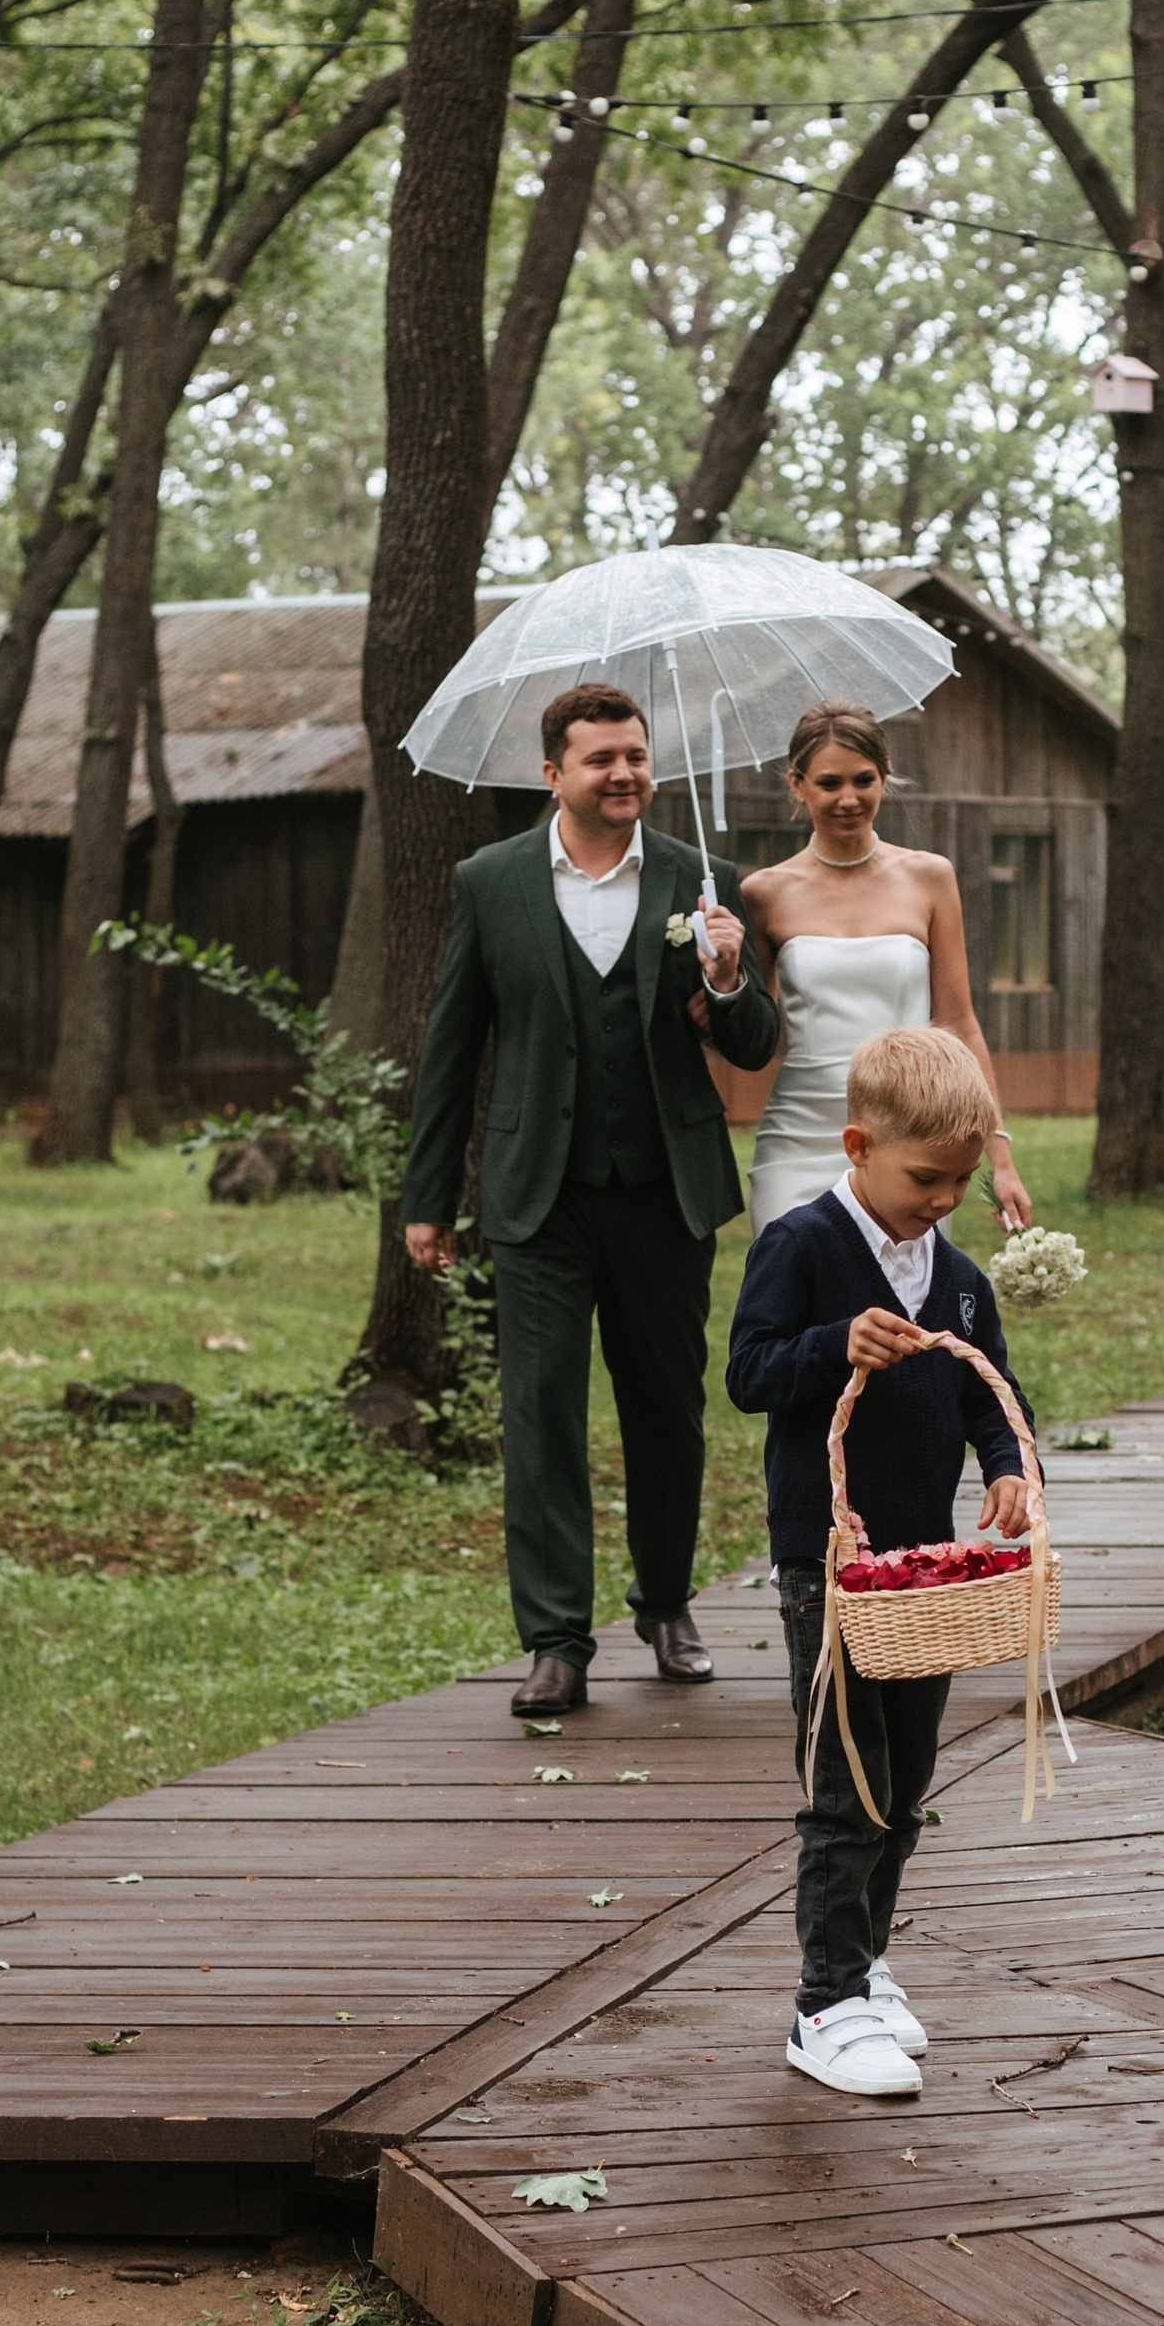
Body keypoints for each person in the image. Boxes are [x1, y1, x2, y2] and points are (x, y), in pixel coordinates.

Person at [400, 679, 781, 1720]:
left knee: (667, 1409)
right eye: (601, 759)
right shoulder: (492, 881)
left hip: (666, 1188)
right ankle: (557, 1643)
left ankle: (665, 1606)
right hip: (538, 1198)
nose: (624, 774)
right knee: (542, 1417)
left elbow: (754, 1047)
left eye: (635, 757)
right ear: (552, 773)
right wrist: (427, 1199)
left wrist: (733, 982)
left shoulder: (707, 882)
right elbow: (450, 1049)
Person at [725, 1023, 1031, 2101]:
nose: (944, 1199)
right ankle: (821, 2004)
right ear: (857, 1146)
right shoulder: (801, 1247)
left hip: (926, 1572)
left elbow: (991, 1393)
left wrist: (1006, 1468)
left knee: (903, 1781)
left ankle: (866, 1961)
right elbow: (750, 1374)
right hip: (831, 1559)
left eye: (958, 1180)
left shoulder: (955, 1279)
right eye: (924, 1178)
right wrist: (828, 1348)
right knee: (842, 1784)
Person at [738, 699, 1037, 1240]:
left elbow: (960, 1026)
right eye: (829, 783)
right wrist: (718, 984)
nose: (848, 798)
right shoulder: (763, 893)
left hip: (912, 1134)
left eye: (864, 780)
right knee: (793, 1299)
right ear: (797, 784)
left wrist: (1002, 1160)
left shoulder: (929, 878)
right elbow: (747, 1031)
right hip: (799, 1133)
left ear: (884, 778)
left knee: (901, 1312)